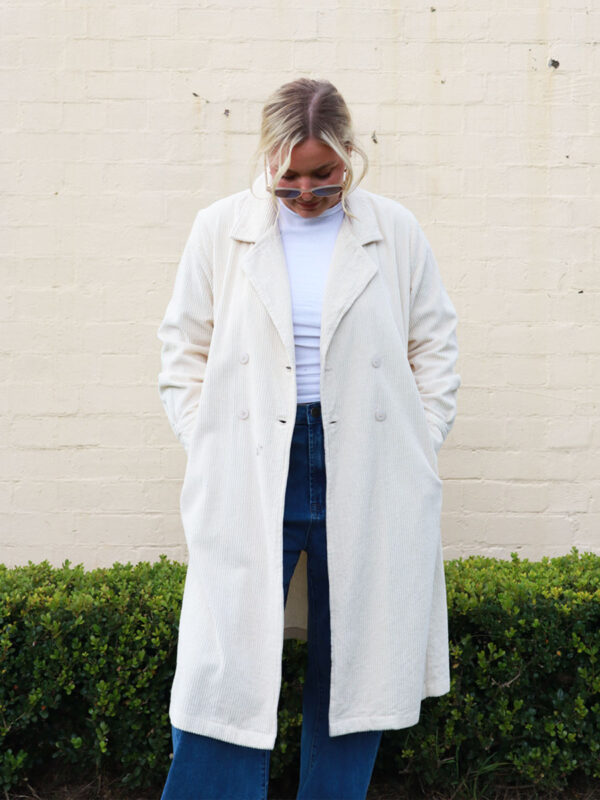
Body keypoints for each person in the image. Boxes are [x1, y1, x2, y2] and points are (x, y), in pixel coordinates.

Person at [157, 77, 461, 800]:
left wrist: (419, 440)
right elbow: (183, 350)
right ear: (266, 159)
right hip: (254, 456)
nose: (304, 191)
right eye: (288, 175)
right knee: (223, 658)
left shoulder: (395, 230)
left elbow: (435, 345)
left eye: (322, 175)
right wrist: (207, 443)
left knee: (358, 655)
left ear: (350, 157)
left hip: (369, 458)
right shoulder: (220, 229)